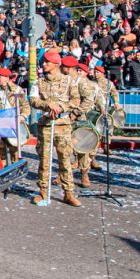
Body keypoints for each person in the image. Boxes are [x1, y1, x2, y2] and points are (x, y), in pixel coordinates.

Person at [29, 51, 82, 207]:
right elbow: (33, 99)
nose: (44, 64)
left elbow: (76, 100)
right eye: (43, 62)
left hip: (63, 125)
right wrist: (47, 105)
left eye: (47, 62)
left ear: (56, 64)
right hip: (45, 125)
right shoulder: (38, 82)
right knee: (44, 160)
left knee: (65, 160)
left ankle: (68, 193)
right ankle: (43, 191)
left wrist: (60, 107)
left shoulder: (69, 81)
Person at [60, 56, 95, 186]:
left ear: (69, 68)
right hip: (64, 118)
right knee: (64, 149)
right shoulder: (63, 80)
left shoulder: (81, 82)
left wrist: (76, 112)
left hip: (79, 120)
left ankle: (84, 174)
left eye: (63, 67)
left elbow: (89, 100)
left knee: (82, 149)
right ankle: (63, 174)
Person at [0, 68, 30, 164]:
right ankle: (2, 171)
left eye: (0, 77)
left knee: (14, 151)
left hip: (13, 124)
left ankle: (15, 169)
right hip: (1, 125)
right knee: (1, 151)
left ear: (7, 78)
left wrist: (22, 116)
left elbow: (26, 106)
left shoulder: (17, 90)